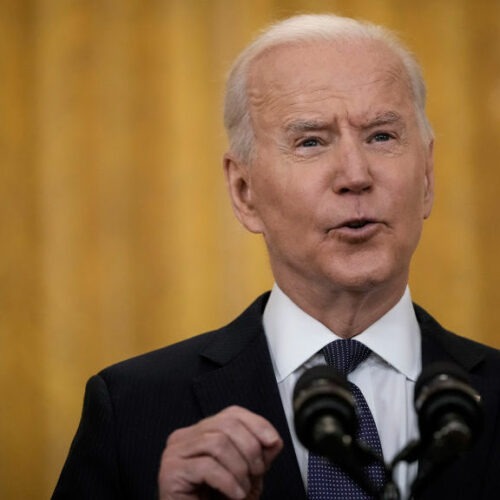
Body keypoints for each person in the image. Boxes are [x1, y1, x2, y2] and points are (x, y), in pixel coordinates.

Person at [52, 13, 500, 500]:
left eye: (381, 136)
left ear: (428, 177)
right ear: (244, 191)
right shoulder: (133, 409)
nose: (355, 174)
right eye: (310, 141)